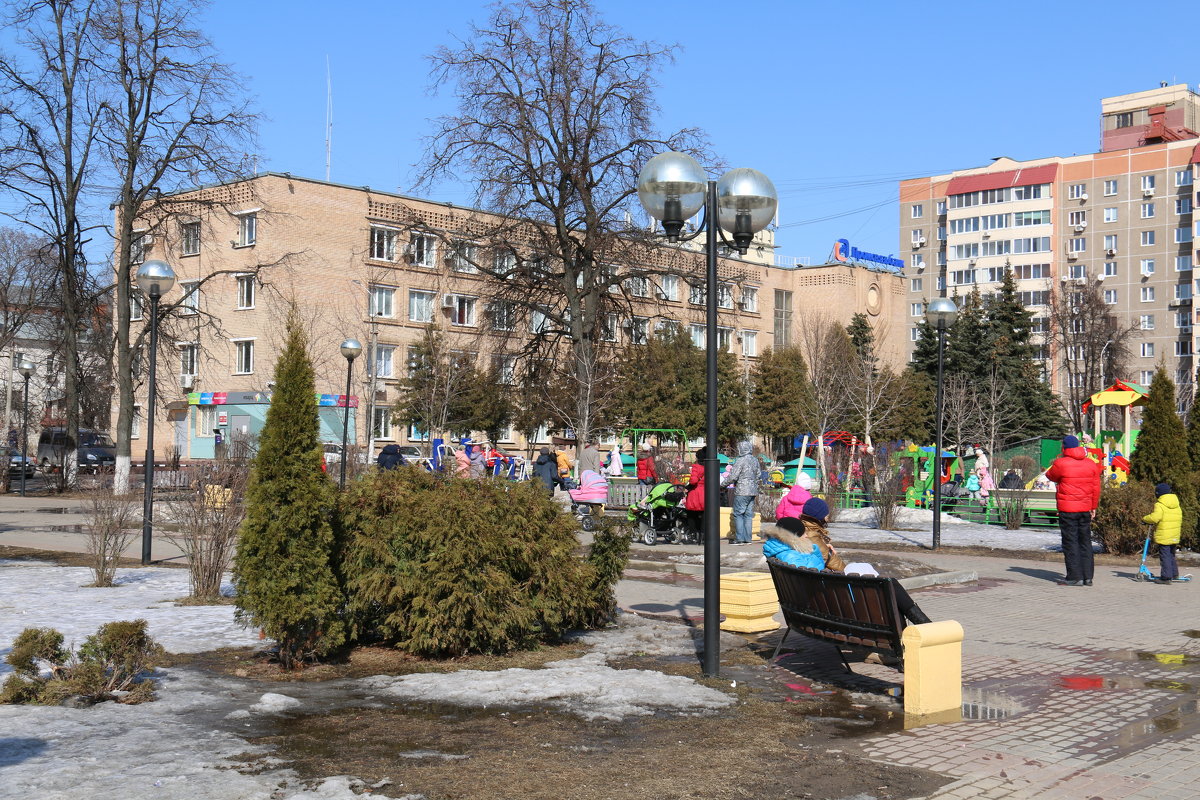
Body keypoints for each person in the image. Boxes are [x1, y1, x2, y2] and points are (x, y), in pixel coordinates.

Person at [776, 499, 931, 625]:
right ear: (819, 516)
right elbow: (828, 562)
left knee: (885, 584)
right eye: (826, 515)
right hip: (831, 601)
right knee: (888, 586)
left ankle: (921, 622)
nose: (828, 518)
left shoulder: (788, 549)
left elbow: (816, 561)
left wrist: (825, 551)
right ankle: (922, 624)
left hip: (813, 603)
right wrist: (847, 572)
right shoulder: (810, 536)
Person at [1045, 435, 1104, 586]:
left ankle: (1074, 576)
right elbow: (1096, 487)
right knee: (1085, 542)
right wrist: (1093, 507)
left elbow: (1049, 475)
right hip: (1085, 508)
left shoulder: (1061, 463)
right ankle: (1088, 577)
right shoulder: (1091, 464)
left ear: (1064, 447)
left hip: (1068, 509)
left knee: (1071, 542)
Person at [720, 441, 760, 546]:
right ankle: (748, 538)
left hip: (742, 490)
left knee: (738, 514)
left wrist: (722, 485)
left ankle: (739, 538)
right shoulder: (755, 461)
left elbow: (733, 476)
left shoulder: (740, 461)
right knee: (748, 515)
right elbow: (759, 475)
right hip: (752, 491)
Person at [1143, 482, 1182, 584]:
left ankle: (1166, 577)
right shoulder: (1176, 504)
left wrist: (1145, 519)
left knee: (1164, 556)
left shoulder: (1160, 505)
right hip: (1174, 534)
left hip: (1164, 535)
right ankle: (1174, 574)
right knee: (1171, 555)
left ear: (1158, 494)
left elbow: (1155, 517)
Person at [683, 447, 707, 536]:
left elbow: (693, 481)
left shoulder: (696, 467)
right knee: (704, 514)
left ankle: (693, 533)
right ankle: (703, 534)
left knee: (691, 514)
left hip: (696, 493)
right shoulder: (710, 466)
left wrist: (687, 487)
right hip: (706, 493)